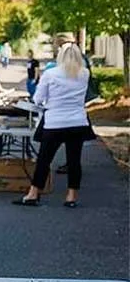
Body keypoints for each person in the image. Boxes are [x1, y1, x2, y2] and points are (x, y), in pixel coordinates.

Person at [14, 43, 96, 208]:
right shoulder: (85, 73)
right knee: (74, 161)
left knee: (44, 159)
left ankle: (33, 193)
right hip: (78, 121)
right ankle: (71, 196)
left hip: (55, 122)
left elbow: (38, 99)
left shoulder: (50, 74)